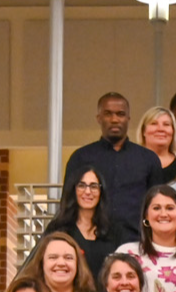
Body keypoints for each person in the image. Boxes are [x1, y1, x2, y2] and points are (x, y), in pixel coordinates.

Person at [63, 92, 166, 231]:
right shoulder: (81, 158)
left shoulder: (148, 159)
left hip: (136, 242)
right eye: (108, 114)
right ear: (99, 118)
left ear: (128, 118)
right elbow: (68, 206)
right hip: (91, 240)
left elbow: (158, 205)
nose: (114, 119)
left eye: (120, 114)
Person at [46, 165, 126, 286]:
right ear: (73, 190)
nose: (88, 192)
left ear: (101, 192)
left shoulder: (114, 230)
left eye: (93, 186)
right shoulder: (58, 228)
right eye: (81, 185)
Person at [135, 105, 176, 185]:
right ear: (143, 131)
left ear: (173, 131)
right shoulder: (130, 163)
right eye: (154, 124)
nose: (160, 129)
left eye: (166, 124)